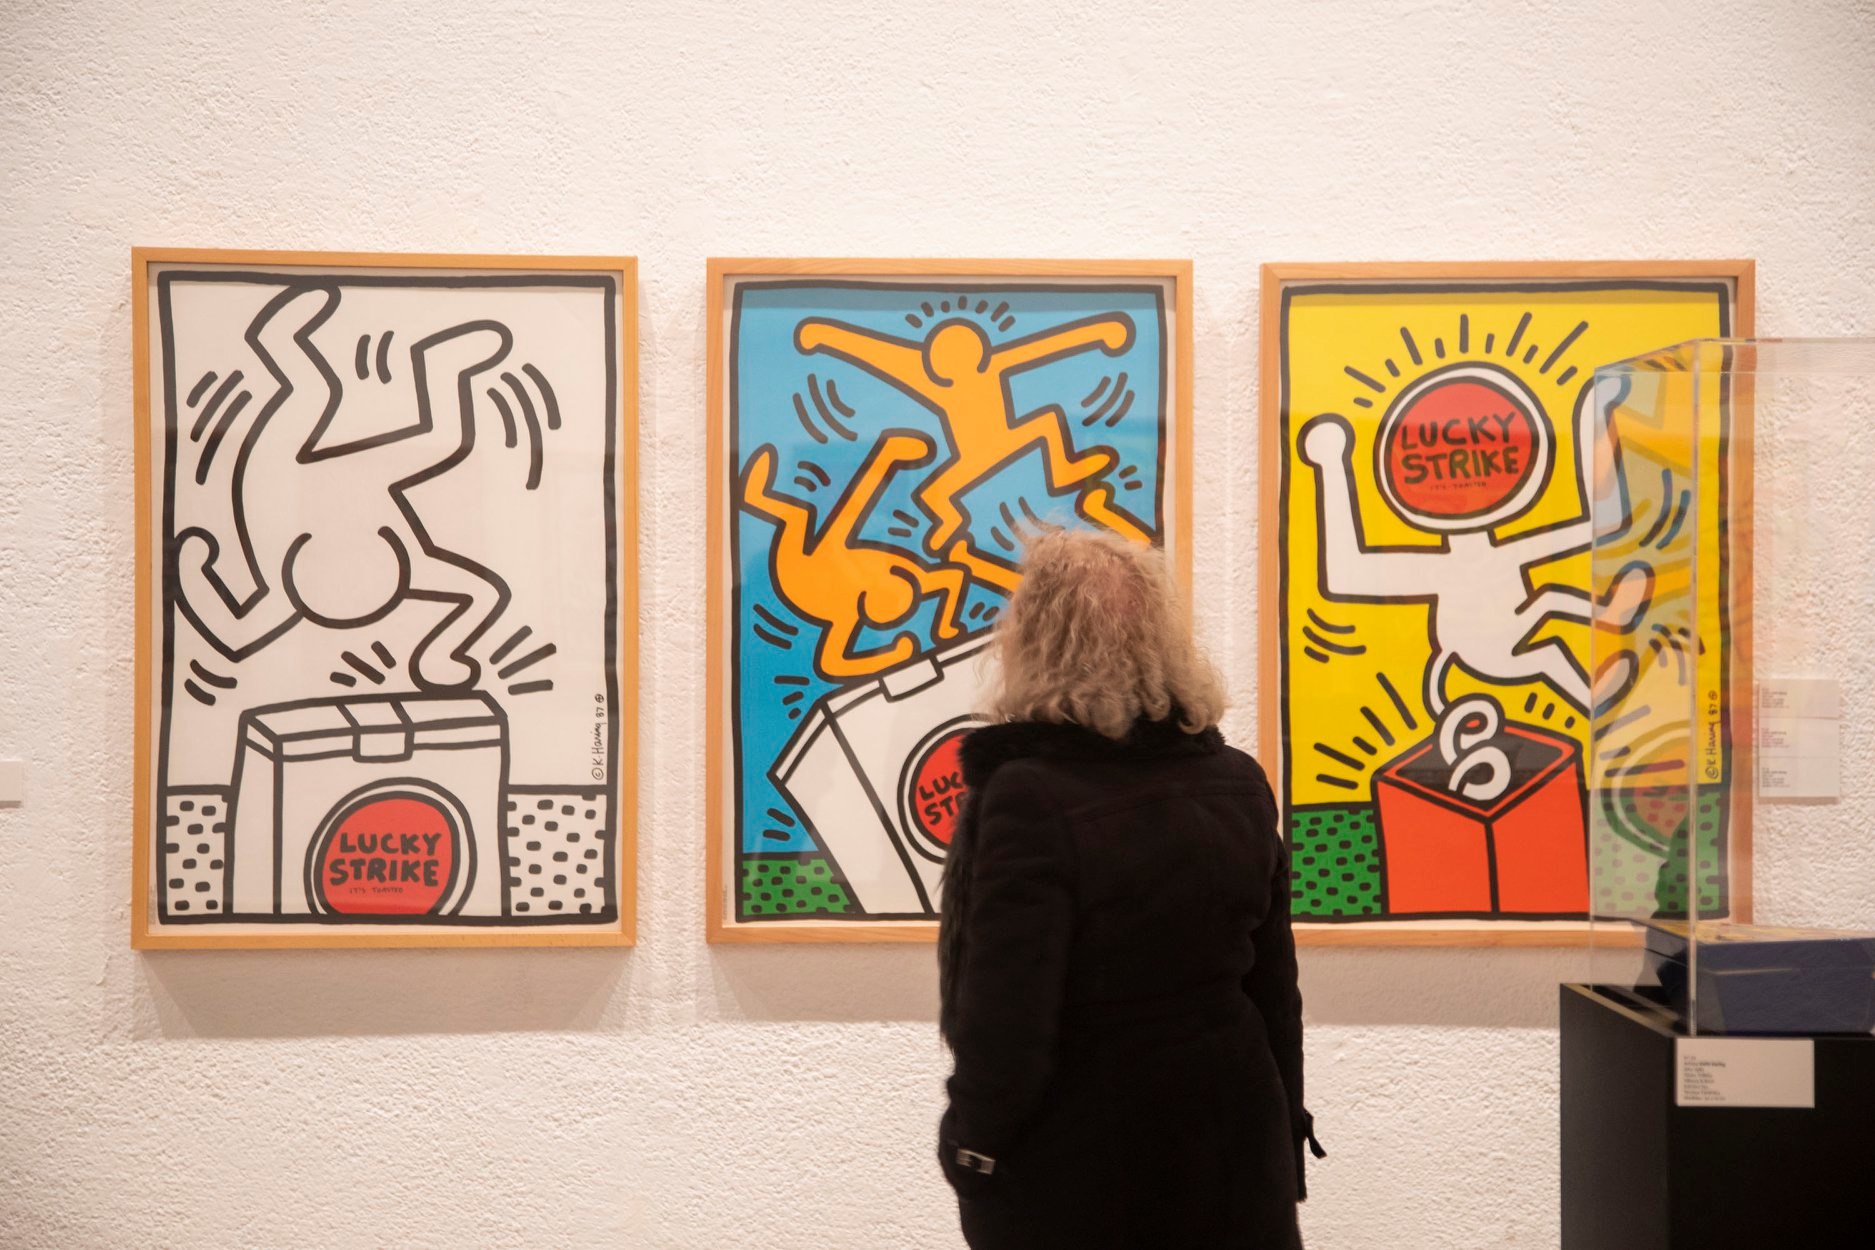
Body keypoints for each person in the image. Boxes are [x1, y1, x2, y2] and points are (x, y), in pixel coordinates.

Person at [937, 528, 1320, 1249]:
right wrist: (1286, 1130)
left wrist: (972, 1144)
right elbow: (1275, 989)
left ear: (1036, 640)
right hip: (1234, 1133)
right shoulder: (1236, 780)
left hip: (1087, 1156)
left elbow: (1007, 1011)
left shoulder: (1030, 793)